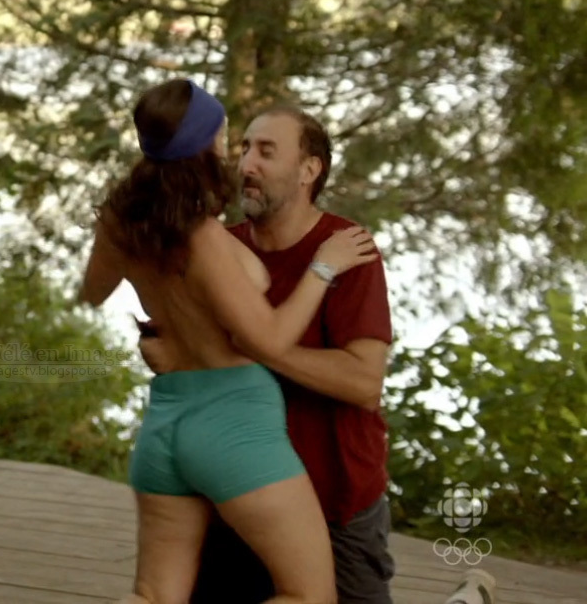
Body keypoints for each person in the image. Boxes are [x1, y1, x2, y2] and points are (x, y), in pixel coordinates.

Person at [78, 79, 379, 604]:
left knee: (153, 595)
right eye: (228, 140)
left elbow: (93, 292)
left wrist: (165, 325)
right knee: (309, 596)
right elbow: (268, 340)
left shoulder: (122, 224)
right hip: (233, 422)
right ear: (205, 146)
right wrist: (323, 269)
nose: (237, 157)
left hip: (167, 421)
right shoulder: (205, 238)